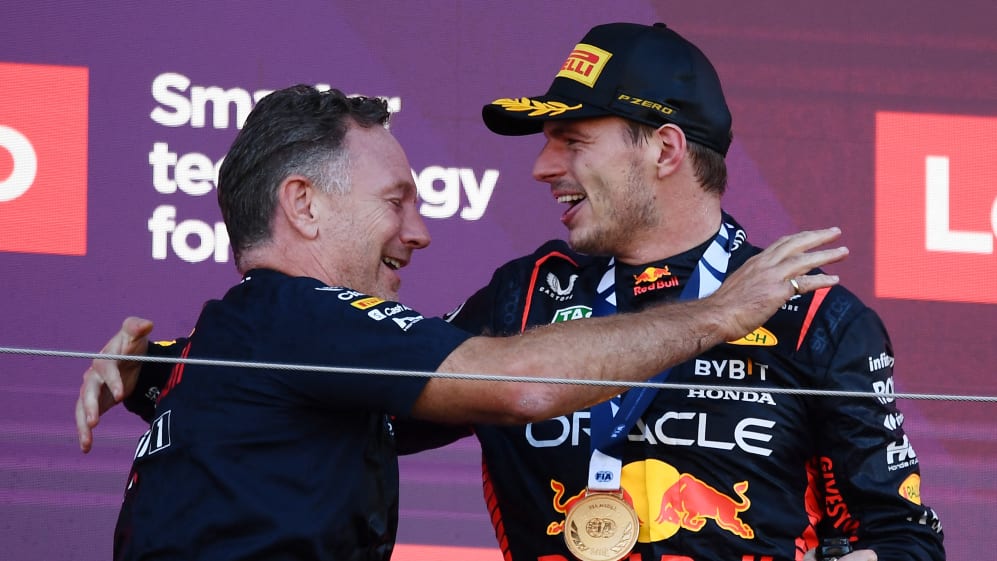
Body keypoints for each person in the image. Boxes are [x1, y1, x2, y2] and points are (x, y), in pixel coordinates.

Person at [81, 83, 845, 561]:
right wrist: (724, 309)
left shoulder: (240, 339)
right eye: (395, 201)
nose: (419, 231)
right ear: (304, 204)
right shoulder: (299, 316)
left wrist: (150, 369)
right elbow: (517, 383)